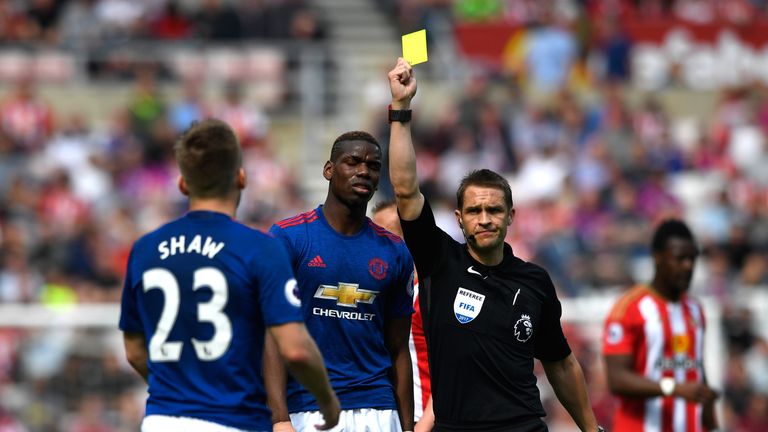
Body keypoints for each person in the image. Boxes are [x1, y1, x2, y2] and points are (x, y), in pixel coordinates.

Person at [387, 57, 602, 431]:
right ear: (459, 218)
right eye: (474, 210)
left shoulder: (535, 281)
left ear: (511, 216)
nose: (484, 218)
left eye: (494, 209)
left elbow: (561, 363)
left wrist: (590, 428)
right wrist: (402, 109)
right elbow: (406, 191)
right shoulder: (439, 262)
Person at [119, 119, 340, 432]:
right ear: (241, 177)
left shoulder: (145, 249)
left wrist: (178, 393)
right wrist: (328, 401)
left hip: (162, 420)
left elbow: (134, 351)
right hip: (234, 420)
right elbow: (295, 349)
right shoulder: (260, 248)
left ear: (183, 184)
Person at [265, 131, 415, 431]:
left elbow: (398, 349)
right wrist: (279, 418)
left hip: (378, 409)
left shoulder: (395, 251)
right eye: (353, 162)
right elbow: (271, 335)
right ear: (329, 170)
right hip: (308, 409)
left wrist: (408, 427)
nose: (364, 171)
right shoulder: (288, 238)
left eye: (373, 166)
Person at [602, 219, 719, 431]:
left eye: (692, 259)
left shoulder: (695, 309)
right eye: (680, 258)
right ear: (657, 257)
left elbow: (697, 371)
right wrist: (673, 388)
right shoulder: (628, 308)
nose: (688, 266)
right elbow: (616, 379)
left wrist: (713, 426)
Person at [370, 201, 432, 430]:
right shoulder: (377, 295)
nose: (376, 244)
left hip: (423, 420)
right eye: (372, 234)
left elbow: (453, 367)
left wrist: (423, 425)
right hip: (386, 418)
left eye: (385, 234)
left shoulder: (428, 294)